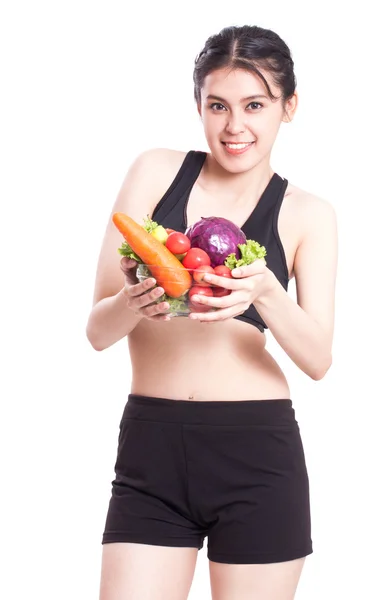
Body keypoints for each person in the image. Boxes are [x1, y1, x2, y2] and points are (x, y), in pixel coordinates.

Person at [86, 24, 338, 600]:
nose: (234, 126)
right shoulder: (155, 172)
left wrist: (267, 293)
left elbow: (318, 359)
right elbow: (97, 332)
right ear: (197, 105)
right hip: (151, 448)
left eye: (255, 105)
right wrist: (133, 301)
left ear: (288, 107)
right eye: (217, 105)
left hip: (256, 452)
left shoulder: (308, 214)